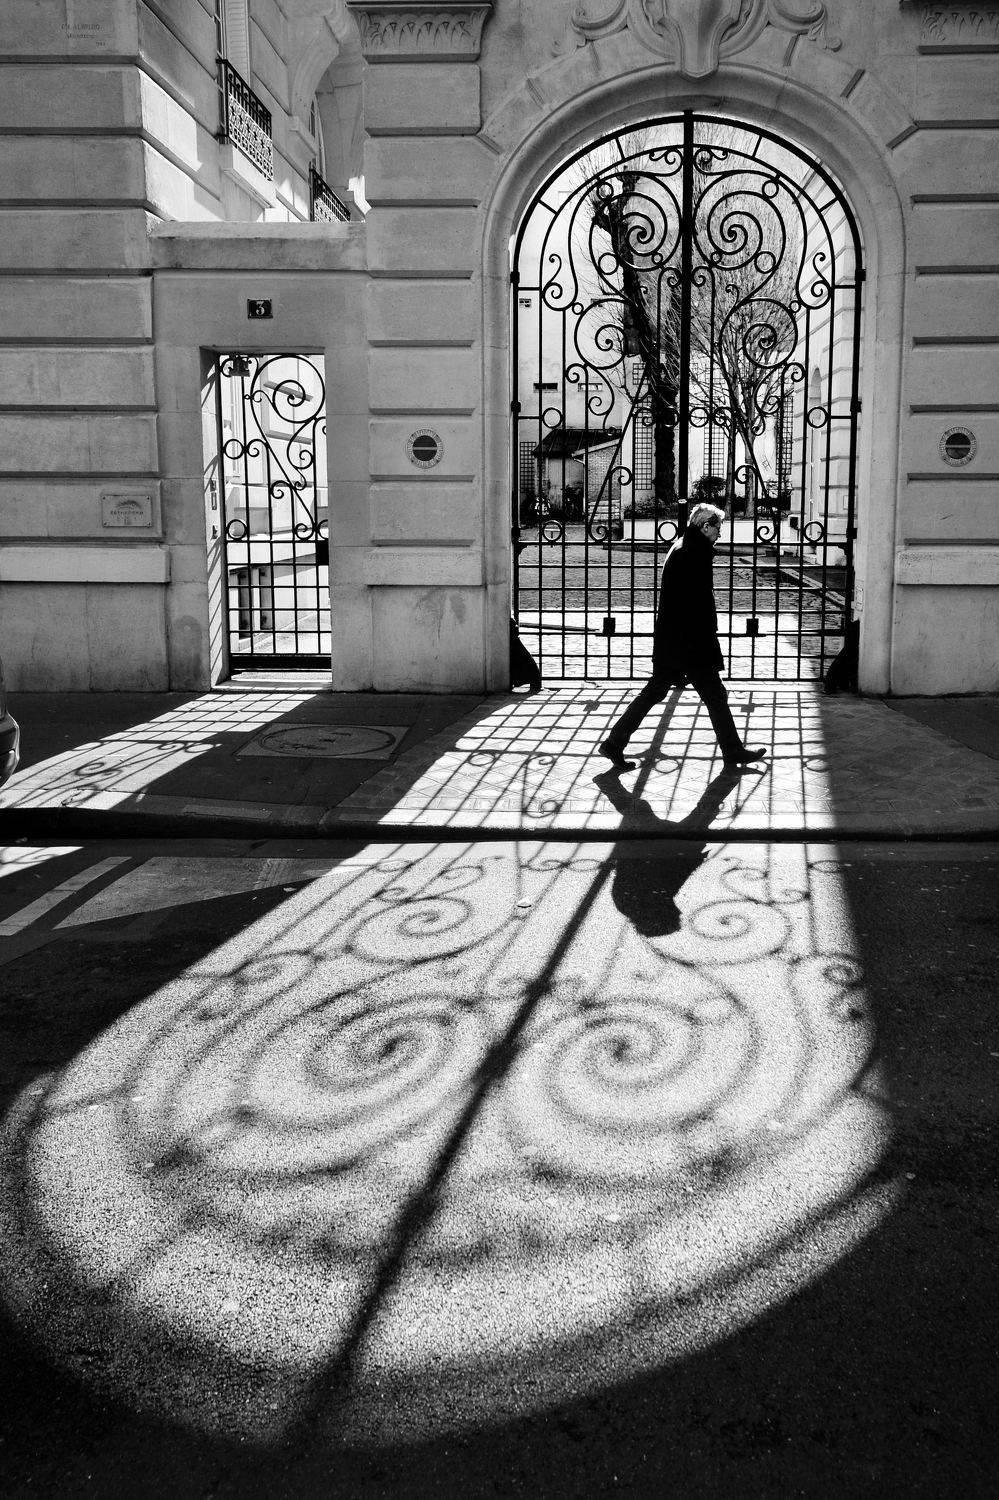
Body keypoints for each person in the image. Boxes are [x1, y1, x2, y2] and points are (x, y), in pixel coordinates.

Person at [599, 502, 767, 771]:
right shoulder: (692, 552)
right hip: (689, 642)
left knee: (659, 692)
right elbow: (694, 603)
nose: (720, 533)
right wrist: (704, 640)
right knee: (713, 694)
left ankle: (614, 744)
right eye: (718, 527)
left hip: (676, 640)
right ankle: (733, 750)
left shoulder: (685, 546)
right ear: (705, 526)